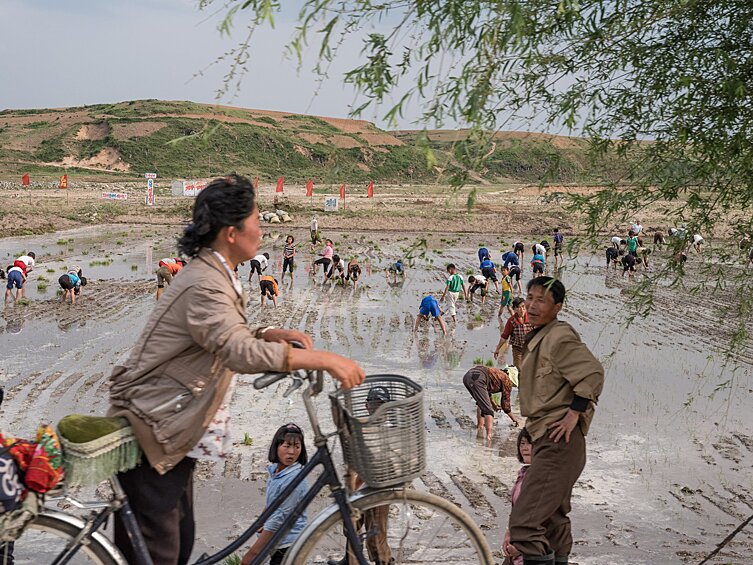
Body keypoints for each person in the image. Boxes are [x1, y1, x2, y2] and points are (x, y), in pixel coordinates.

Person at [108, 175, 364, 565]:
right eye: (256, 222)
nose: (261, 231)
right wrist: (323, 359)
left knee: (179, 545)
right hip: (154, 427)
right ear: (231, 232)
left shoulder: (216, 272)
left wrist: (270, 331)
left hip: (174, 428)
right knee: (159, 554)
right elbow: (235, 350)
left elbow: (222, 331)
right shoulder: (205, 282)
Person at [507, 277, 604, 565]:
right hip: (549, 439)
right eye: (530, 297)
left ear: (557, 307)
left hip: (558, 441)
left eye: (541, 300)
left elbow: (593, 373)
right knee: (552, 522)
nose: (532, 305)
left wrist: (575, 412)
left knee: (524, 525)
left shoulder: (558, 337)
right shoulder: (539, 335)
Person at [327, 387, 394, 565]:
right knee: (352, 525)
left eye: (382, 405)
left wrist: (355, 485)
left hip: (379, 490)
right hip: (363, 487)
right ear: (367, 406)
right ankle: (350, 559)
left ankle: (384, 561)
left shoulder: (386, 431)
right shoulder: (366, 427)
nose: (378, 409)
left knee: (377, 534)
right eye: (374, 405)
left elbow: (374, 463)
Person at [241, 424, 309, 565]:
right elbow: (272, 503)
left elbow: (279, 519)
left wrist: (254, 552)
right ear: (276, 447)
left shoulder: (294, 479)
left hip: (287, 543)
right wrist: (262, 520)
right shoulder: (276, 471)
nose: (291, 452)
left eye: (297, 446)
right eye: (287, 446)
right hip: (276, 537)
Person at [462, 364, 520, 442]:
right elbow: (505, 404)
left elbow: (486, 393)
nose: (511, 385)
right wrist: (514, 419)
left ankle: (480, 426)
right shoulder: (507, 380)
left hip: (468, 376)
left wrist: (494, 405)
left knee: (481, 403)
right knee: (489, 411)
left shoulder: (497, 373)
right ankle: (489, 436)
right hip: (478, 378)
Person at [502, 429, 533, 565]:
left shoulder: (541, 479)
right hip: (516, 548)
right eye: (522, 443)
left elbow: (542, 520)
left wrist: (521, 548)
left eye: (529, 443)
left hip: (530, 553)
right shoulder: (523, 474)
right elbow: (517, 510)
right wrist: (509, 533)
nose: (524, 448)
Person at [494, 297, 533, 369]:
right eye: (518, 307)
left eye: (523, 307)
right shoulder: (512, 321)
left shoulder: (531, 318)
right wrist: (497, 349)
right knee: (519, 369)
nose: (521, 309)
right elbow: (504, 337)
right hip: (517, 349)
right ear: (515, 309)